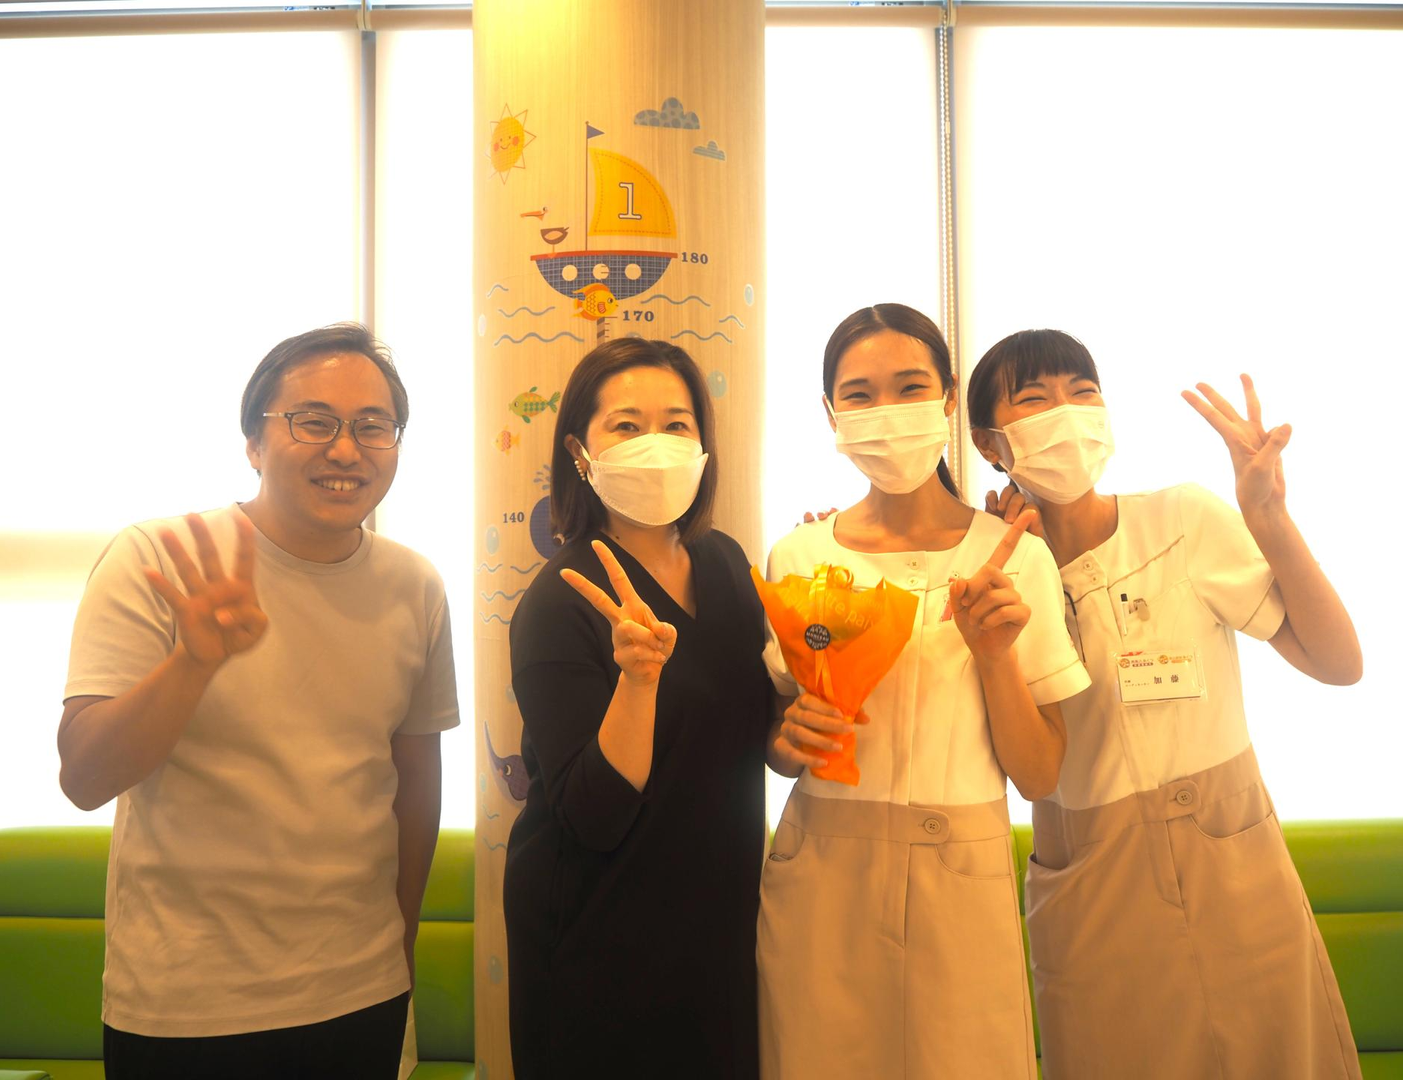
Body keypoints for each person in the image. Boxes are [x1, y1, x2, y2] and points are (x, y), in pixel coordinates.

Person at [58, 323, 458, 1080]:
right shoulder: (160, 557)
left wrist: (399, 945)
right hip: (186, 1001)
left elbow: (414, 784)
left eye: (373, 426)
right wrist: (194, 662)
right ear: (253, 442)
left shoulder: (415, 585)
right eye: (314, 421)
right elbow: (83, 776)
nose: (346, 450)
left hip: (361, 990)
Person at [969, 327, 1363, 1080]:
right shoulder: (996, 572)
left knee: (1279, 1056)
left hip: (1233, 864)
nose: (1067, 413)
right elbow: (1025, 764)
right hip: (1093, 881)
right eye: (1035, 399)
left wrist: (1269, 516)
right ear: (991, 443)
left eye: (1083, 393)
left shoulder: (1182, 519)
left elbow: (1339, 663)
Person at [758, 303, 1090, 1079]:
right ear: (831, 413)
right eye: (860, 394)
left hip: (960, 870)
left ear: (945, 397)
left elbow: (1040, 774)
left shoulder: (1015, 558)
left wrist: (995, 655)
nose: (887, 411)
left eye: (909, 387)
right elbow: (780, 743)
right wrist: (786, 740)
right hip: (821, 867)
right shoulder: (798, 555)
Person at [503, 338, 773, 1079]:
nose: (656, 442)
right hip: (599, 937)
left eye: (677, 424)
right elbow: (594, 815)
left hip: (717, 925)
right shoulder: (562, 600)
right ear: (580, 452)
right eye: (626, 425)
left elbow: (751, 735)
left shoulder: (726, 564)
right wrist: (638, 680)